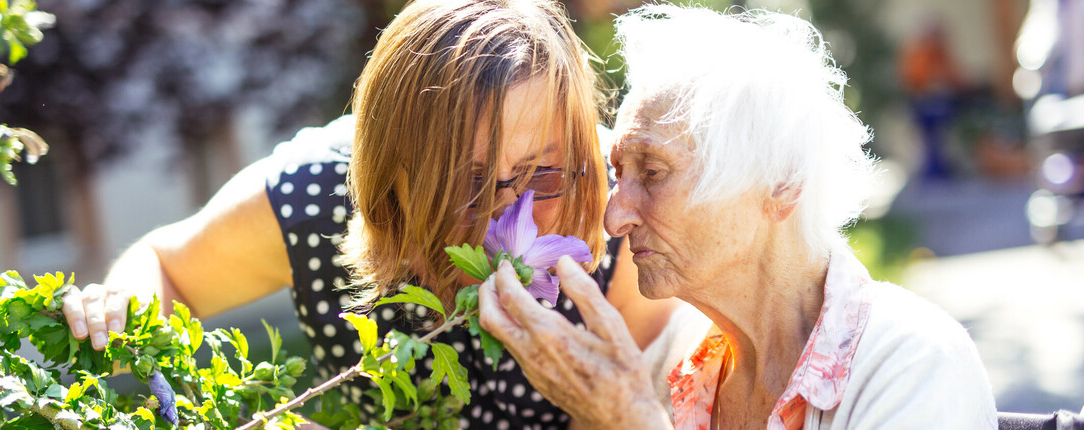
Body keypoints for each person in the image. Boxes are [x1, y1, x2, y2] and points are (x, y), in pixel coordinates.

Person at [58, 0, 678, 428]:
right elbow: (165, 265)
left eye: (542, 171)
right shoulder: (314, 199)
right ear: (389, 173)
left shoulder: (612, 214)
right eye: (467, 178)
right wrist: (123, 316)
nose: (510, 209)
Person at [479, 5, 998, 429]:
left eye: (653, 173)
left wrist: (634, 422)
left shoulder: (911, 364)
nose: (615, 218)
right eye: (619, 173)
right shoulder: (672, 363)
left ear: (781, 184)